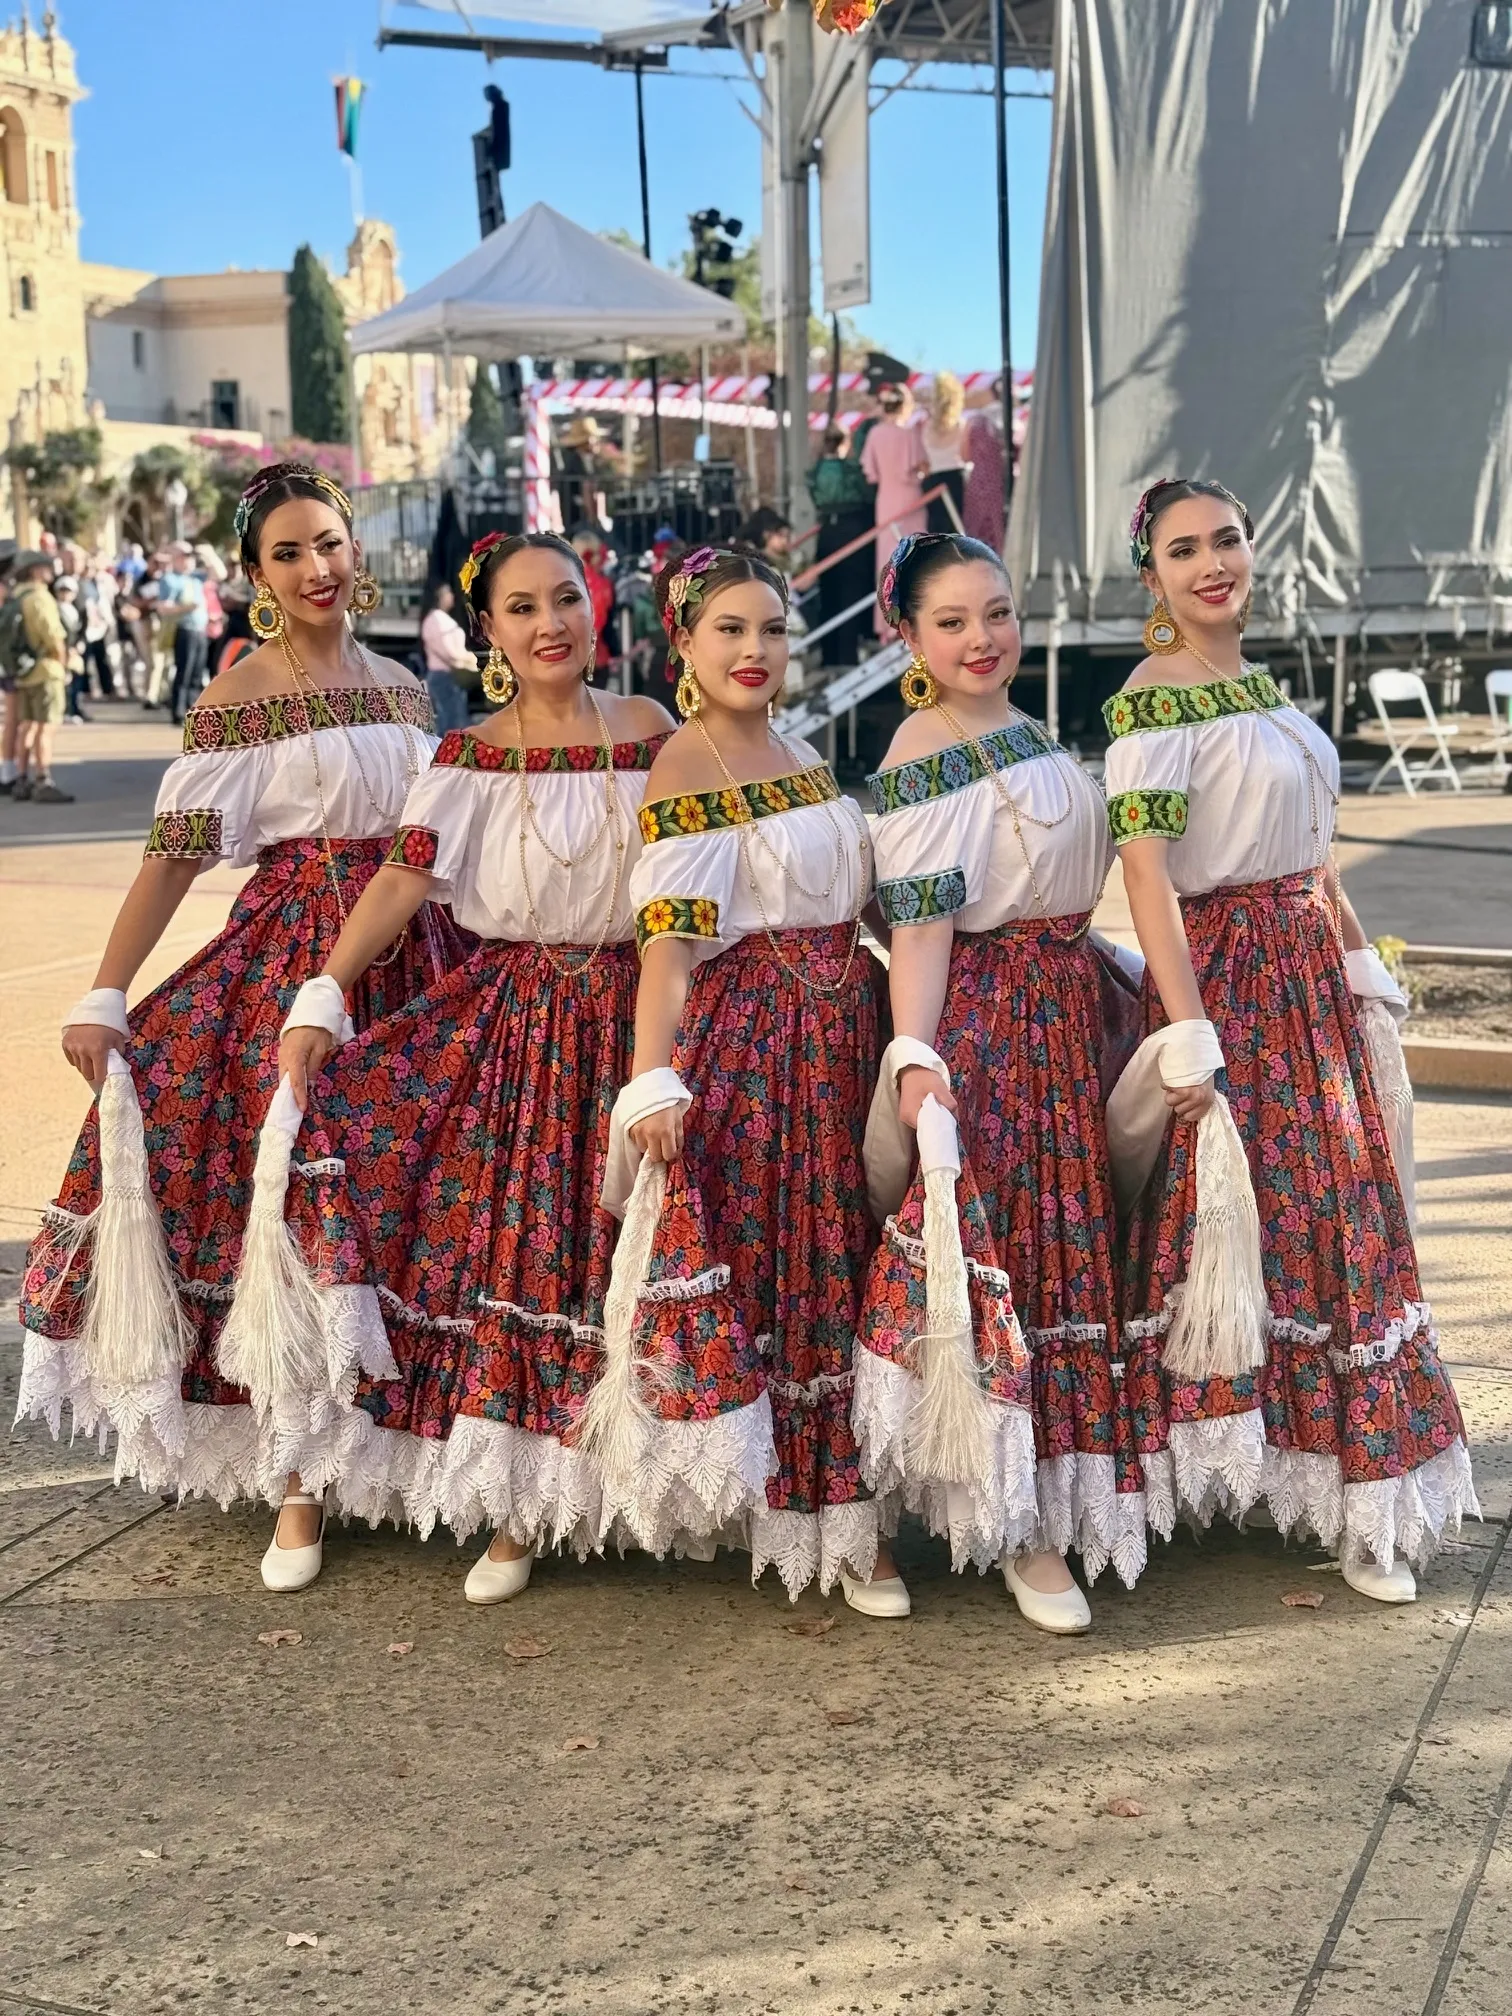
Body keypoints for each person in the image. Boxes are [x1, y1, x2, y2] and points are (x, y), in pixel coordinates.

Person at [17, 463, 462, 1574]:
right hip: (292, 959)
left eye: (330, 543)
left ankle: (403, 1453)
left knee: (413, 1207)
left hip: (413, 955)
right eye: (289, 553)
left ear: (357, 551)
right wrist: (107, 990)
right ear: (255, 576)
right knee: (288, 1213)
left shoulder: (408, 687)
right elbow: (172, 864)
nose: (318, 568)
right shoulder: (236, 698)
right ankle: (296, 1478)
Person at [248, 532, 675, 1595]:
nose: (550, 625)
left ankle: (614, 1478)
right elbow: (401, 882)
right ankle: (514, 1504)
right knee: (525, 1250)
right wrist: (325, 990)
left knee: (622, 1247)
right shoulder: (470, 756)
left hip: (642, 1013)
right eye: (523, 608)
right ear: (488, 632)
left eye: (566, 599)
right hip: (524, 1025)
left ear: (598, 606)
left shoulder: (653, 732)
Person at [1105, 477, 1476, 1603]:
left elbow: (1314, 851)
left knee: (1345, 1215)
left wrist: (1360, 960)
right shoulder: (1151, 700)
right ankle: (1273, 1470)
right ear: (1154, 578)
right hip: (1237, 985)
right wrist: (1187, 1028)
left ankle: (1354, 1481)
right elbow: (1149, 881)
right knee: (1263, 1217)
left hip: (1311, 974)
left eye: (1228, 540)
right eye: (1185, 550)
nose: (1213, 564)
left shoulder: (1256, 684)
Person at [590, 544, 907, 1615]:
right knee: (798, 1275)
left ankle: (861, 1499)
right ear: (683, 642)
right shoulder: (686, 766)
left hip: (848, 1030)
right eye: (729, 629)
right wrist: (649, 1079)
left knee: (858, 1264)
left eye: (772, 629)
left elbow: (865, 902)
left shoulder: (807, 752)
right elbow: (669, 948)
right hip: (760, 1051)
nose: (755, 650)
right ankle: (824, 1517)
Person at [852, 533, 1141, 1631]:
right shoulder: (925, 750)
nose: (984, 638)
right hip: (997, 1030)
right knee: (1015, 1254)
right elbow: (921, 933)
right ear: (910, 638)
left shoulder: (1015, 725)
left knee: (1072, 1252)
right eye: (954, 622)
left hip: (1068, 1010)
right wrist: (916, 1059)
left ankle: (1060, 1495)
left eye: (999, 613)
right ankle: (1017, 1525)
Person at [6, 551, 74, 802]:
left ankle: (22, 778)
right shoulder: (39, 597)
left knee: (27, 726)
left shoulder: (16, 596)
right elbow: (53, 636)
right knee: (47, 726)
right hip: (45, 669)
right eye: (45, 566)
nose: (50, 570)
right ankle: (43, 779)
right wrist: (64, 664)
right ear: (34, 570)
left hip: (22, 671)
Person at [861, 383, 928, 632]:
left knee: (887, 560)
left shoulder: (875, 433)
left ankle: (886, 624)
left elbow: (870, 472)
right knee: (913, 557)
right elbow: (924, 466)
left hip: (886, 500)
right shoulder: (909, 434)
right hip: (911, 498)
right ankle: (912, 618)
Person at [805, 425, 874, 667]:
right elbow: (867, 494)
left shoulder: (815, 472)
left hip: (827, 532)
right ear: (845, 443)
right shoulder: (851, 470)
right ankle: (848, 655)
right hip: (851, 529)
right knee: (851, 594)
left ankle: (829, 655)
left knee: (829, 593)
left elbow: (813, 493)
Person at [159, 541, 211, 722]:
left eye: (190, 557)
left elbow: (220, 573)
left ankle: (193, 707)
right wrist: (185, 608)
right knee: (184, 670)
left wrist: (207, 553)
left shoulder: (196, 578)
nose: (188, 561)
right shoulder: (169, 579)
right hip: (184, 628)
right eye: (184, 557)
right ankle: (178, 710)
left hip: (200, 629)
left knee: (197, 672)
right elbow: (164, 607)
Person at [418, 579, 475, 734]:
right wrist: (467, 659)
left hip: (449, 675)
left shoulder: (441, 619)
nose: (452, 596)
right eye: (448, 593)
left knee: (455, 719)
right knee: (451, 721)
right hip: (442, 676)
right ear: (441, 597)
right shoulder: (436, 620)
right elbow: (447, 651)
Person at [919, 371, 968, 535]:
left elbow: (925, 458)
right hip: (956, 480)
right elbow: (965, 455)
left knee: (936, 533)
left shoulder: (926, 428)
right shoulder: (961, 425)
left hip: (933, 481)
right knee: (959, 533)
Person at [962, 383, 1008, 554]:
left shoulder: (975, 420)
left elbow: (965, 455)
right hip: (1002, 482)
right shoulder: (1011, 419)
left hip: (978, 481)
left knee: (976, 532)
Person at [53, 575, 90, 723]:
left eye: (68, 591)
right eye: (62, 590)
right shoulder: (54, 609)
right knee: (63, 683)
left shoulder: (78, 609)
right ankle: (64, 711)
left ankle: (74, 708)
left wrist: (79, 644)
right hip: (61, 651)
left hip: (75, 652)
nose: (65, 594)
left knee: (75, 682)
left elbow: (82, 630)